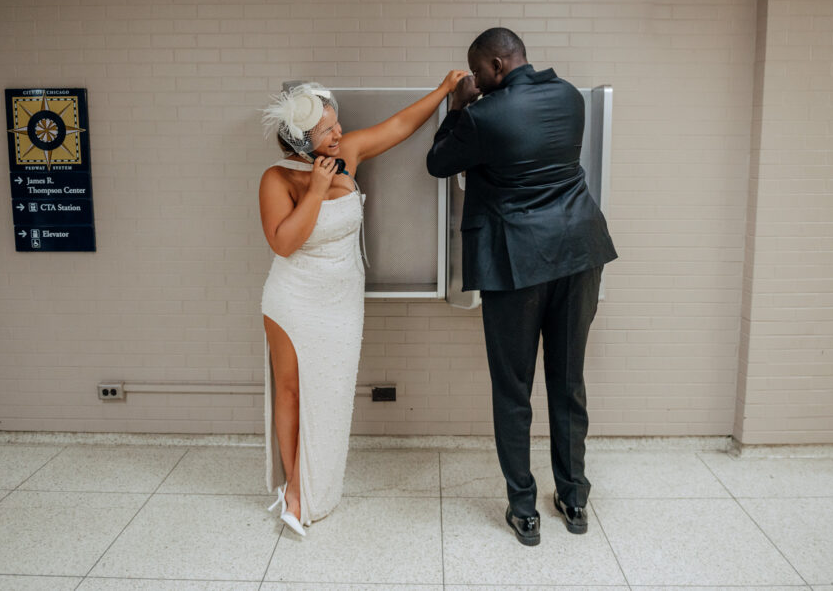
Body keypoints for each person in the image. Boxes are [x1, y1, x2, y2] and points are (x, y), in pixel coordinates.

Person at [426, 28, 617, 546]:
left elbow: (437, 163)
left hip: (517, 265)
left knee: (513, 390)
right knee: (568, 378)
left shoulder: (483, 117)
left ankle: (524, 510)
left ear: (493, 65)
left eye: (479, 75)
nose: (478, 84)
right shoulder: (569, 97)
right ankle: (574, 498)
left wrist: (458, 108)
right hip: (580, 253)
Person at [259, 70, 467, 537]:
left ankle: (318, 484)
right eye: (326, 130)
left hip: (341, 301)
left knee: (331, 395)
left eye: (336, 124)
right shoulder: (277, 179)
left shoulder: (348, 153)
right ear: (300, 141)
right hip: (293, 299)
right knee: (291, 392)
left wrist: (441, 92)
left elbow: (398, 127)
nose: (337, 134)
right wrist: (314, 191)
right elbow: (284, 244)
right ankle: (294, 488)